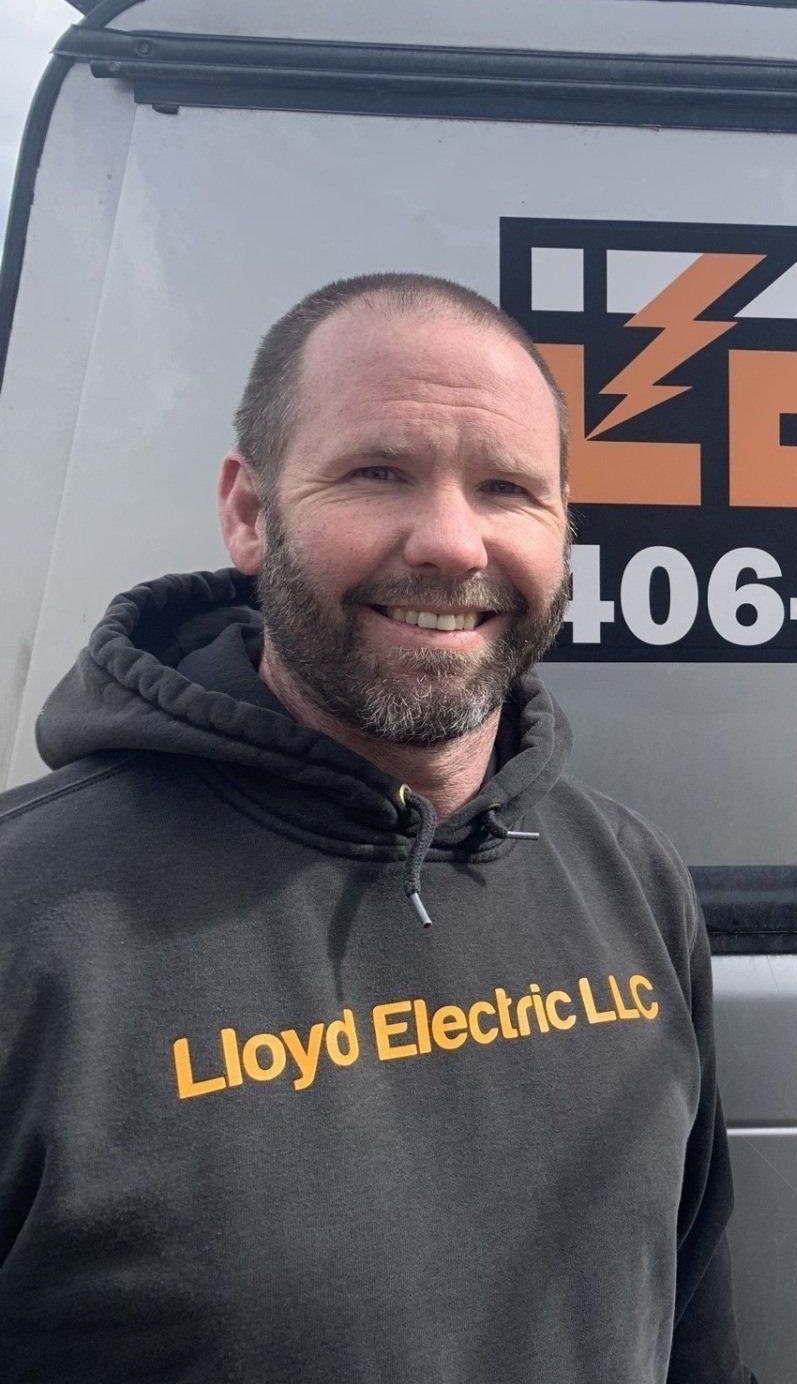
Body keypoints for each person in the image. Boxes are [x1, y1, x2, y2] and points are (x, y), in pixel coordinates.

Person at [0, 274, 755, 1383]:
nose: (452, 543)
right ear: (249, 513)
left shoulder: (631, 878)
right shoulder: (29, 922)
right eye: (377, 473)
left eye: (508, 489)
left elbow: (696, 1342)